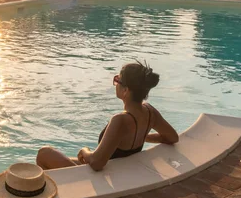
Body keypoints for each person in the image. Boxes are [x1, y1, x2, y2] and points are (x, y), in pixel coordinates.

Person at [36, 61, 178, 172]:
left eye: (117, 80)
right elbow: (172, 137)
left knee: (44, 154)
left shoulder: (121, 120)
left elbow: (97, 163)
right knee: (56, 158)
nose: (115, 83)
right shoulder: (150, 112)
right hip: (118, 169)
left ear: (126, 91)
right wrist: (143, 136)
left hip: (105, 176)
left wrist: (84, 151)